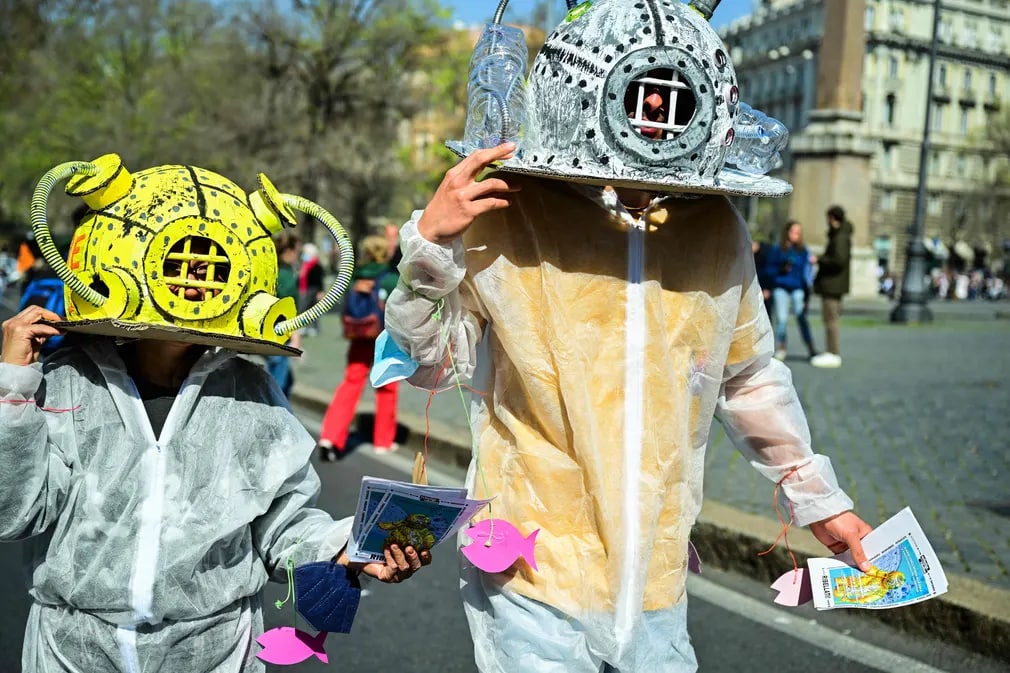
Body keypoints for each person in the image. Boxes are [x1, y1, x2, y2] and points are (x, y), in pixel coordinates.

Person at [382, 2, 872, 671]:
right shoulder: (511, 213)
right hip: (533, 568)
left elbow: (747, 374)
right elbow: (430, 364)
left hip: (656, 578)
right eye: (643, 99)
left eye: (672, 104)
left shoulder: (714, 227)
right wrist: (429, 253)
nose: (654, 120)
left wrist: (818, 498)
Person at [0, 154, 430, 672]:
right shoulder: (69, 380)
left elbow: (282, 527)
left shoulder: (250, 392)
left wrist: (347, 548)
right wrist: (13, 386)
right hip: (72, 653)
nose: (195, 272)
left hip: (215, 655)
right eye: (183, 256)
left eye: (211, 261)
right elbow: (16, 513)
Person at [317, 235, 401, 461]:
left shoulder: (355, 275)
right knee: (387, 387)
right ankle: (382, 440)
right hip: (386, 337)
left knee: (351, 384)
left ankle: (330, 436)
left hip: (359, 335)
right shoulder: (390, 278)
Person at [766, 220, 817, 361]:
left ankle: (810, 347)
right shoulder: (778, 249)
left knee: (801, 317)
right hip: (781, 286)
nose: (796, 235)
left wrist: (808, 293)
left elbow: (806, 273)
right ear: (787, 233)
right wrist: (781, 268)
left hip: (797, 287)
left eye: (798, 233)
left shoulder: (803, 250)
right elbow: (769, 269)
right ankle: (781, 347)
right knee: (782, 318)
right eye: (794, 232)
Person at [811, 205, 852, 369]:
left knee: (831, 320)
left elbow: (839, 260)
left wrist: (820, 259)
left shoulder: (840, 237)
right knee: (830, 319)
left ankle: (833, 353)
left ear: (832, 218)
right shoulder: (840, 235)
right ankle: (830, 351)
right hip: (833, 284)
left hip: (833, 284)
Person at [265, 230, 302, 398]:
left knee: (285, 380)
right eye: (296, 252)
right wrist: (295, 337)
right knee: (278, 386)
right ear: (289, 251)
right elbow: (289, 309)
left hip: (265, 329)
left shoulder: (268, 270)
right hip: (280, 332)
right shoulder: (287, 276)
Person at [298, 242, 324, 337]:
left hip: (313, 290)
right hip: (307, 289)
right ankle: (304, 327)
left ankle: (314, 328)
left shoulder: (316, 266)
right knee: (306, 308)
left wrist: (320, 291)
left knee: (310, 309)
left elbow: (319, 280)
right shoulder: (305, 265)